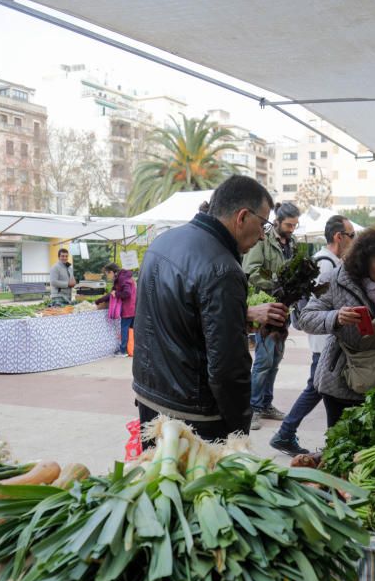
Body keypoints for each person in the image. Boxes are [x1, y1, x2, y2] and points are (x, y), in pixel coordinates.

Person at [132, 175, 287, 440]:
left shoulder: (164, 241)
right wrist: (240, 427)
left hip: (150, 397)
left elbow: (177, 313)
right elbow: (228, 366)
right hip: (193, 414)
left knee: (155, 479)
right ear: (242, 217)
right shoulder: (223, 268)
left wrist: (243, 315)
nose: (263, 235)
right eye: (263, 224)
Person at [298, 228, 375, 426]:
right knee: (339, 447)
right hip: (340, 379)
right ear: (364, 260)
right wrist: (336, 317)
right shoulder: (333, 279)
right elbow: (306, 318)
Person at [269, 215, 356, 456]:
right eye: (351, 235)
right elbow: (321, 306)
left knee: (316, 387)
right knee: (318, 388)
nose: (353, 240)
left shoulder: (327, 261)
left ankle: (285, 433)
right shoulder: (326, 264)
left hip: (324, 337)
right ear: (339, 237)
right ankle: (285, 433)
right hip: (324, 338)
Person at [243, 201, 299, 430]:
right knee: (264, 361)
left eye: (295, 225)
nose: (292, 229)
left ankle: (266, 404)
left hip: (283, 309)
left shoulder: (293, 243)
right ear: (277, 221)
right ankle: (253, 408)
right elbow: (251, 270)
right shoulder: (263, 241)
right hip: (265, 308)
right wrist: (276, 283)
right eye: (289, 224)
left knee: (275, 361)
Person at [96, 262, 138, 357]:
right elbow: (112, 293)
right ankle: (131, 349)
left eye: (107, 274)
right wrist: (99, 300)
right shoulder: (120, 278)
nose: (107, 277)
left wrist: (117, 294)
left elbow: (127, 293)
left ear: (111, 272)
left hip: (128, 308)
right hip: (132, 308)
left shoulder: (122, 278)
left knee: (125, 329)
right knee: (131, 330)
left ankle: (123, 351)